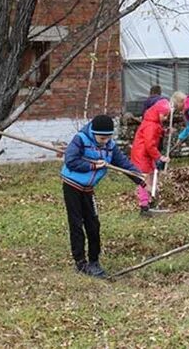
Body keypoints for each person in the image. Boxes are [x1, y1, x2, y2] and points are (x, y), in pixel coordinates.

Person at [61, 115, 146, 278]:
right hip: (72, 186)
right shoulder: (80, 139)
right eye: (102, 138)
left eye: (108, 138)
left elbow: (123, 163)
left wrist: (140, 179)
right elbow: (71, 161)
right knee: (76, 224)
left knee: (94, 225)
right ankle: (80, 262)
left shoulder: (110, 146)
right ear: (93, 133)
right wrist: (92, 165)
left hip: (88, 189)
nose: (105, 141)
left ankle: (94, 261)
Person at [130, 99, 172, 217]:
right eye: (164, 115)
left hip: (146, 155)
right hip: (142, 155)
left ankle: (152, 200)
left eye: (167, 116)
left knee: (152, 175)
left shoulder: (153, 122)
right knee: (144, 180)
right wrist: (159, 157)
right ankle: (144, 206)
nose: (165, 118)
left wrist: (164, 132)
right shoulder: (151, 125)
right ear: (157, 112)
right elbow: (149, 144)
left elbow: (156, 133)